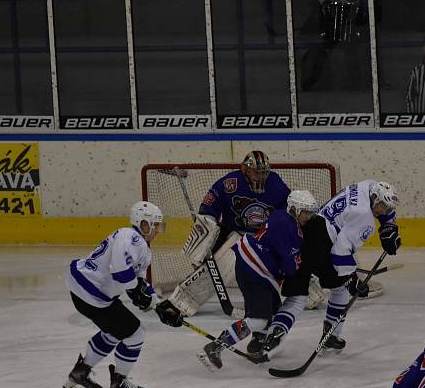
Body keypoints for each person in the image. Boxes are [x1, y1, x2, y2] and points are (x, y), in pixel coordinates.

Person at [250, 180, 401, 360]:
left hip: (306, 231)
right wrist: (351, 279)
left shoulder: (365, 187)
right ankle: (331, 335)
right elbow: (339, 253)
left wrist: (389, 225)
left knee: (297, 296)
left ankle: (271, 335)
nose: (383, 211)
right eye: (382, 207)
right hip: (322, 246)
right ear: (375, 198)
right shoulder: (364, 219)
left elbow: (382, 202)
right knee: (342, 287)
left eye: (386, 208)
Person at [63, 201, 184, 388]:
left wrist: (159, 305)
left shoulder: (143, 249)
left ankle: (80, 373)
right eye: (154, 225)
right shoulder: (130, 236)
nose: (157, 231)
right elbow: (121, 272)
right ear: (143, 223)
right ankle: (120, 384)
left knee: (114, 331)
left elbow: (139, 282)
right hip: (91, 291)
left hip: (87, 291)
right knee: (135, 333)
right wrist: (136, 291)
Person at [196, 190, 319, 371]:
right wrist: (300, 267)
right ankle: (215, 347)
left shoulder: (288, 222)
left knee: (273, 313)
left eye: (310, 212)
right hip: (254, 268)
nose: (308, 216)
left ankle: (256, 345)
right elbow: (288, 265)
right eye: (305, 212)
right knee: (259, 319)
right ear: (294, 209)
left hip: (261, 272)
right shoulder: (284, 223)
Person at [169, 150, 291, 317]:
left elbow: (288, 211)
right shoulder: (230, 183)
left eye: (264, 173)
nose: (260, 177)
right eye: (256, 172)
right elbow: (209, 206)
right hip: (235, 235)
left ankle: (308, 293)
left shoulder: (275, 183)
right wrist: (207, 231)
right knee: (218, 269)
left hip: (264, 237)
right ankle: (183, 302)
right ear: (245, 170)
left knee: (288, 261)